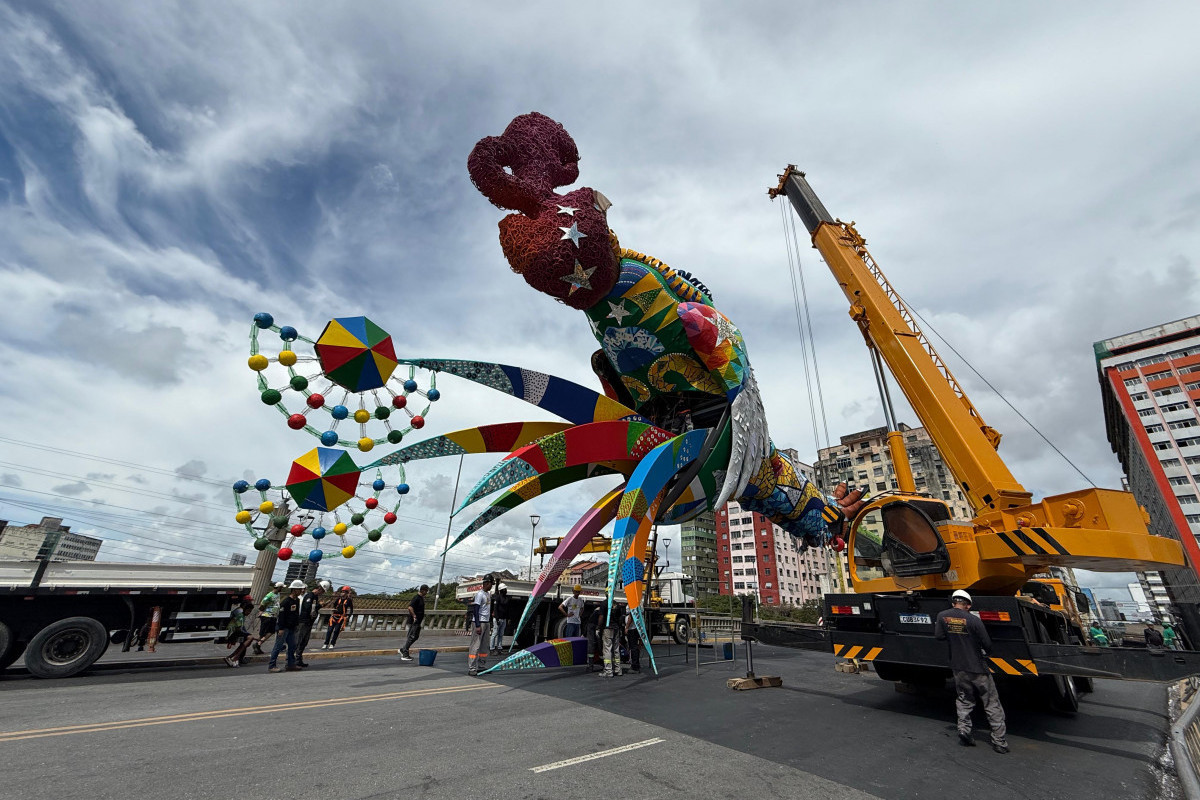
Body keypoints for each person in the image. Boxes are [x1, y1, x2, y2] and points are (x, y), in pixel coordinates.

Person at [934, 589, 1009, 754]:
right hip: (977, 668)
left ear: (953, 602)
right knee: (991, 702)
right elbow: (987, 643)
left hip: (958, 667)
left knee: (964, 699)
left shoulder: (942, 616)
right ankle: (999, 742)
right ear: (968, 605)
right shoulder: (973, 620)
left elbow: (938, 636)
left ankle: (964, 730)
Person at [268, 580, 305, 673]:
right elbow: (281, 616)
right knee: (278, 646)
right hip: (284, 628)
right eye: (300, 589)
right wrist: (280, 628)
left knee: (292, 646)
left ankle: (290, 664)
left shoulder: (297, 600)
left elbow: (296, 614)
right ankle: (272, 666)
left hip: (292, 628)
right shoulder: (286, 601)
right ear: (295, 590)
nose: (301, 591)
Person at [295, 581, 326, 668]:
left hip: (309, 622)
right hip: (304, 622)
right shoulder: (310, 596)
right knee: (299, 641)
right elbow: (308, 608)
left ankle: (299, 659)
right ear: (319, 589)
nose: (322, 593)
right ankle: (294, 660)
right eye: (322, 591)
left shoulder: (314, 597)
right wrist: (319, 605)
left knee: (304, 641)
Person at [467, 575, 494, 676]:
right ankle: (472, 668)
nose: (491, 586)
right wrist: (477, 625)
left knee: (484, 646)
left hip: (486, 622)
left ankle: (481, 666)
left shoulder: (488, 594)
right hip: (479, 623)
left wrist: (488, 622)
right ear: (486, 583)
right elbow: (476, 610)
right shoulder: (480, 594)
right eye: (491, 584)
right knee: (475, 646)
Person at [252, 581, 284, 655]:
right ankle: (258, 644)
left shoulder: (278, 594)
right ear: (278, 587)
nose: (282, 589)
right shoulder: (269, 595)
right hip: (267, 615)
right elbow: (262, 604)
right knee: (264, 632)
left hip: (273, 616)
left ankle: (259, 644)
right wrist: (262, 610)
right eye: (281, 588)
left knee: (271, 631)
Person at [399, 585, 429, 660]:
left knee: (415, 636)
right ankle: (404, 654)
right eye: (426, 591)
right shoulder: (416, 598)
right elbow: (410, 607)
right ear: (423, 590)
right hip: (414, 621)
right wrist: (414, 616)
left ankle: (403, 649)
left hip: (418, 621)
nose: (427, 592)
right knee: (411, 637)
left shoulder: (421, 598)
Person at [224, 597, 256, 667]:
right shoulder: (240, 614)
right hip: (232, 632)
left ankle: (233, 656)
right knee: (250, 638)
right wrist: (247, 634)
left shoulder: (239, 611)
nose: (249, 613)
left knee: (249, 638)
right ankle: (235, 657)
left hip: (233, 631)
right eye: (248, 611)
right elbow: (239, 629)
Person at [601, 604, 624, 677]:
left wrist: (599, 627)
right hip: (616, 628)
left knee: (607, 649)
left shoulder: (604, 604)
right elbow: (620, 618)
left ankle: (608, 671)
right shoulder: (616, 604)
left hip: (608, 628)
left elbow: (601, 617)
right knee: (616, 649)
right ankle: (618, 669)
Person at [490, 583, 510, 654]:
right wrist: (497, 618)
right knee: (494, 633)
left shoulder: (506, 598)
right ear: (502, 590)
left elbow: (507, 609)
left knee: (501, 634)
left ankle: (499, 648)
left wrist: (507, 618)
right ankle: (492, 648)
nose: (506, 590)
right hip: (497, 619)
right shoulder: (498, 598)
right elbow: (495, 608)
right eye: (505, 589)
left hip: (503, 619)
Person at [585, 603, 603, 671]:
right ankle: (603, 664)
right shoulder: (606, 607)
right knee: (600, 643)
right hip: (597, 625)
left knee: (591, 644)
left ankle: (590, 665)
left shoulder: (598, 609)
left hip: (592, 625)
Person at [624, 605, 641, 673]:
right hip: (636, 628)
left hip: (632, 628)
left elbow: (631, 616)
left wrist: (627, 627)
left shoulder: (632, 604)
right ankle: (636, 664)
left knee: (633, 647)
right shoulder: (637, 603)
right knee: (635, 647)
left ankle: (635, 666)